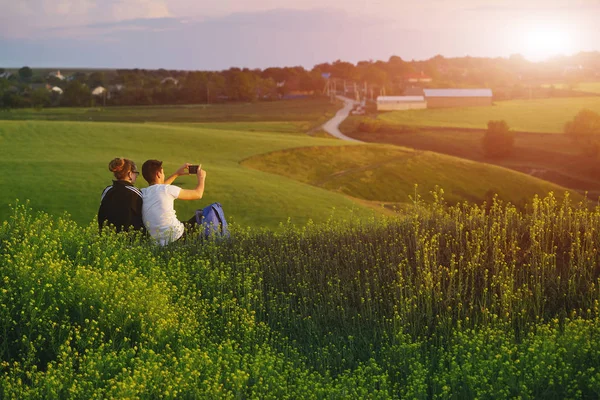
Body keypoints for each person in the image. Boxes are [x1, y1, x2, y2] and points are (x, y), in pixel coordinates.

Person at [140, 159, 206, 245]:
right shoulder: (167, 190)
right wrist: (201, 178)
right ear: (158, 174)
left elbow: (160, 188)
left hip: (159, 243)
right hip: (177, 235)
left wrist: (176, 174)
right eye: (162, 173)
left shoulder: (143, 192)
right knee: (205, 214)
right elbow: (198, 194)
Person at [98, 157, 145, 233]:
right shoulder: (135, 193)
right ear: (130, 174)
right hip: (130, 238)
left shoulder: (107, 190)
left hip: (107, 236)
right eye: (135, 173)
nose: (136, 176)